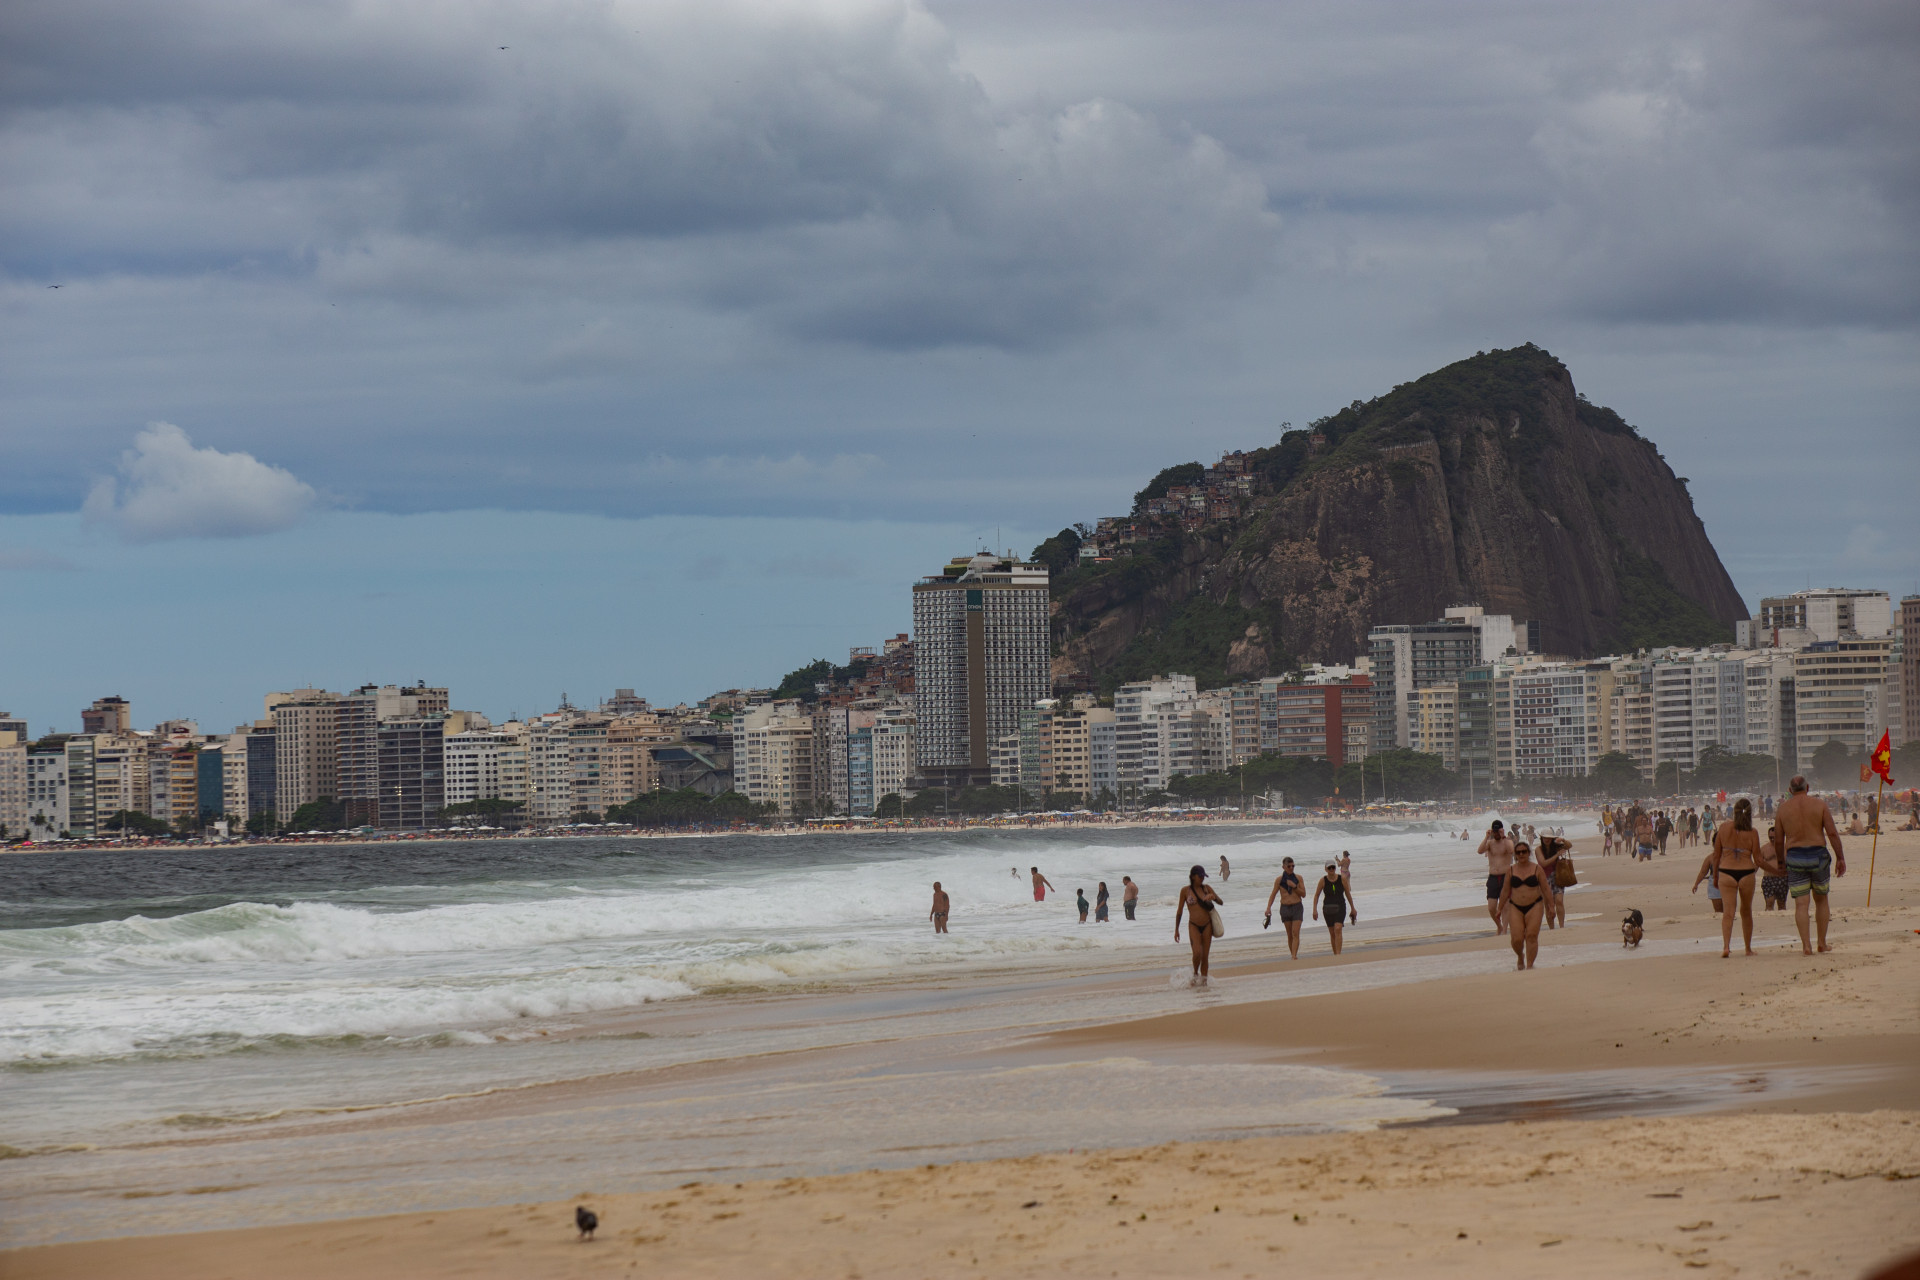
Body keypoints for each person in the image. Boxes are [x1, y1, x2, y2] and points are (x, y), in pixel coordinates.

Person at [1774, 775, 1846, 956]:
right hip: (1818, 856)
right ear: (1808, 788)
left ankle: (1806, 946)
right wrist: (1840, 857)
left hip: (1795, 857)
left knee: (1801, 904)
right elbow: (1832, 833)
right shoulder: (1819, 805)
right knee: (1821, 900)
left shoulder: (1783, 809)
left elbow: (1778, 840)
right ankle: (1821, 943)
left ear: (1789, 790)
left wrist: (1780, 862)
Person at [1710, 798, 1766, 958]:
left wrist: (1715, 876)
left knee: (1728, 912)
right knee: (1746, 911)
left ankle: (1726, 947)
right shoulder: (1752, 832)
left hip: (1726, 872)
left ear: (1733, 811)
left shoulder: (1723, 828)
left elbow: (1716, 854)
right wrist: (1777, 871)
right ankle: (1748, 948)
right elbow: (1759, 860)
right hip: (1746, 872)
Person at [1495, 841, 1550, 970]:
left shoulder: (1537, 868)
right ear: (1515, 855)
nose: (1521, 854)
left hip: (1535, 905)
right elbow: (1504, 891)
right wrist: (1499, 908)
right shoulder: (1511, 870)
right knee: (1517, 939)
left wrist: (1551, 907)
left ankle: (1529, 966)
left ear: (1528, 853)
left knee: (1531, 936)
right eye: (1518, 852)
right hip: (1515, 907)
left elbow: (1546, 889)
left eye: (1524, 851)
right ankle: (1520, 956)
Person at [1174, 864, 1223, 984]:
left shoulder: (1207, 888)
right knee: (1197, 953)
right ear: (1192, 876)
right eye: (1200, 876)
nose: (1202, 878)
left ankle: (1204, 982)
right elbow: (1179, 911)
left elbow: (1221, 902)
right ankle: (1196, 973)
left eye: (1203, 876)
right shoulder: (1185, 891)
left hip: (1207, 925)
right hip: (1193, 925)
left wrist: (1214, 897)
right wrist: (1176, 929)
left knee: (1205, 956)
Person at [1263, 856, 1306, 960]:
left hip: (1297, 906)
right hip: (1285, 908)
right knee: (1290, 934)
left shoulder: (1299, 878)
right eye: (1289, 866)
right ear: (1283, 867)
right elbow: (1273, 894)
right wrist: (1268, 907)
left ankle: (1294, 956)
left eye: (1293, 866)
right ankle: (1293, 954)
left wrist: (1294, 886)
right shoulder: (1279, 880)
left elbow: (1303, 894)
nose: (1291, 868)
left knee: (1295, 932)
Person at [1478, 821, 1516, 933]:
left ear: (1501, 830)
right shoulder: (1490, 843)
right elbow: (1480, 851)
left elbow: (1511, 850)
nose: (1496, 834)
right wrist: (1486, 836)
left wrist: (1504, 836)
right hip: (1493, 877)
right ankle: (1498, 925)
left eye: (1498, 831)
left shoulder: (1507, 842)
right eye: (1495, 831)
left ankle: (1504, 930)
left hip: (1506, 876)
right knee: (1491, 907)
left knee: (1505, 906)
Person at [1313, 861, 1353, 954]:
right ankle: (1335, 953)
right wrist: (1314, 909)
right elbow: (1316, 895)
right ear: (1325, 869)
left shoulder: (1342, 878)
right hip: (1327, 908)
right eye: (1329, 868)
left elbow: (1347, 893)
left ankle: (1338, 954)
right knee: (1332, 932)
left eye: (1333, 867)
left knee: (1338, 928)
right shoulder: (1322, 880)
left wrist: (1352, 908)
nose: (1331, 869)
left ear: (1335, 868)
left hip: (1340, 906)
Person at [1537, 835, 1571, 929]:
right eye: (1544, 838)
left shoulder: (1556, 846)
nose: (1546, 840)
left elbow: (1569, 846)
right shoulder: (1538, 849)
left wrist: (1563, 840)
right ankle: (1551, 928)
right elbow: (1543, 863)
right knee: (1548, 904)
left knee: (1559, 901)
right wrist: (1557, 855)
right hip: (1544, 878)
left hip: (1557, 876)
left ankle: (1561, 926)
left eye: (1548, 838)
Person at [1760, 823, 1790, 911]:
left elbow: (1792, 863)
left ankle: (1781, 922)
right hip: (1768, 878)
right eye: (1770, 837)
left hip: (1783, 878)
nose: (1772, 839)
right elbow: (1758, 863)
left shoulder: (1786, 848)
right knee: (1769, 902)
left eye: (1774, 837)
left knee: (1781, 904)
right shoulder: (1764, 849)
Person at [1690, 849, 1724, 914]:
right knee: (1719, 911)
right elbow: (1703, 872)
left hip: (1728, 884)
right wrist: (1696, 884)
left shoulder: (1731, 856)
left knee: (1727, 909)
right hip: (1715, 884)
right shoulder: (1710, 858)